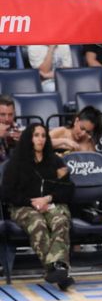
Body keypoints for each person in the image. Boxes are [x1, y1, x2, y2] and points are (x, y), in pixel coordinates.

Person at [1, 124, 75, 291]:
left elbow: (68, 189)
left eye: (43, 135)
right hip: (24, 207)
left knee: (60, 220)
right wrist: (31, 202)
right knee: (38, 223)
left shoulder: (56, 160)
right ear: (29, 138)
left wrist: (48, 198)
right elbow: (6, 194)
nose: (40, 139)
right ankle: (57, 270)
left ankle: (57, 270)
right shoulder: (16, 163)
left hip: (50, 203)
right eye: (36, 135)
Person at [0, 96, 21, 162]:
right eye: (2, 114)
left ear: (14, 114)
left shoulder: (17, 129)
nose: (7, 119)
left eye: (10, 114)